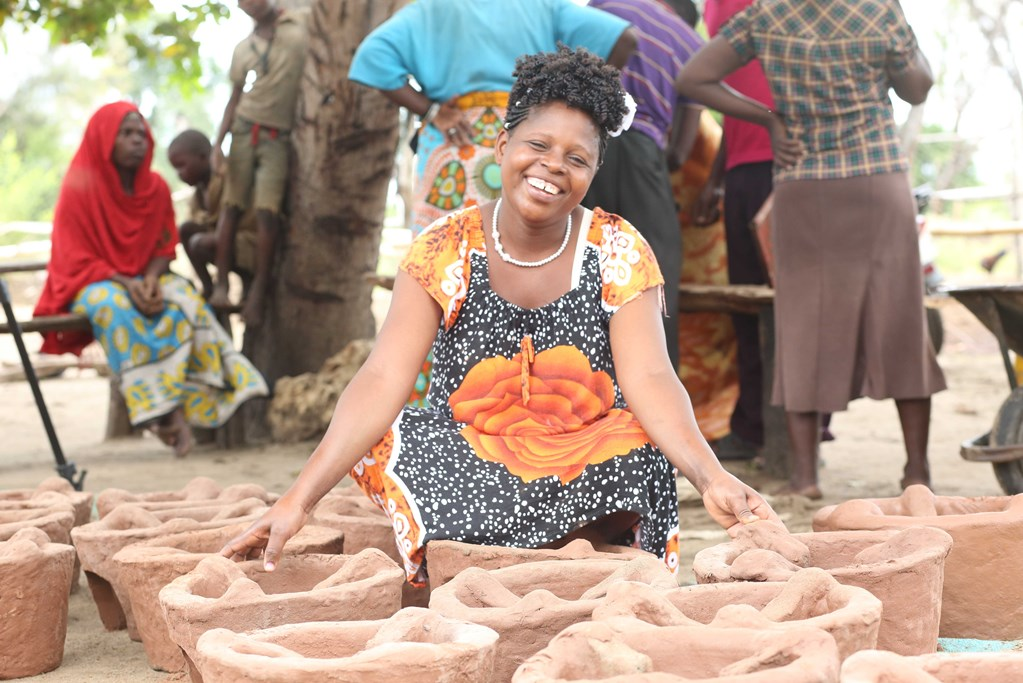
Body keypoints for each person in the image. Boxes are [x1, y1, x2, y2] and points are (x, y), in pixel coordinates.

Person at [220, 46, 780, 583]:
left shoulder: (618, 248)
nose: (552, 167)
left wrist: (713, 477)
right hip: (469, 454)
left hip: (578, 458)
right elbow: (383, 376)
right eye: (537, 145)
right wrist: (298, 500)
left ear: (595, 170)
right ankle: (530, 558)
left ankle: (514, 558)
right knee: (387, 436)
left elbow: (653, 378)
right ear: (502, 142)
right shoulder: (445, 246)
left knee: (642, 448)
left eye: (576, 158)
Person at [677, 0, 946, 498]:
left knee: (801, 320)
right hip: (877, 177)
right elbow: (916, 87)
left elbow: (692, 79)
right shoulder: (878, 9)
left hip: (803, 182)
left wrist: (769, 120)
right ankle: (916, 472)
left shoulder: (766, 15)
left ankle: (805, 478)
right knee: (900, 320)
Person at [33, 102, 269, 457]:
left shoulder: (155, 187)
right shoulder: (79, 185)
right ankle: (160, 414)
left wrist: (152, 280)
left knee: (186, 301)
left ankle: (227, 385)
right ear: (104, 139)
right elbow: (73, 256)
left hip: (147, 276)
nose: (137, 141)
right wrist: (129, 284)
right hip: (92, 281)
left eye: (141, 133)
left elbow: (165, 244)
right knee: (115, 308)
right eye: (126, 134)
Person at [347, 0, 638, 236]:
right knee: (514, 253)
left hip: (454, 144)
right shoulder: (542, 7)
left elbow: (371, 57)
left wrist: (430, 110)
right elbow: (624, 38)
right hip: (530, 136)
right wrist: (583, 96)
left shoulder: (430, 9)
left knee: (441, 249)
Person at [583, 0, 705, 373]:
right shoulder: (693, 45)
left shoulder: (607, 5)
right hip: (644, 154)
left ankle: (574, 378)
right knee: (654, 275)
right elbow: (682, 150)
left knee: (576, 263)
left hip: (586, 142)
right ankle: (653, 395)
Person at [689, 0, 777, 462]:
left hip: (790, 160)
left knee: (787, 303)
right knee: (746, 304)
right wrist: (717, 177)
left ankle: (795, 429)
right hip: (742, 167)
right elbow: (738, 100)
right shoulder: (714, 7)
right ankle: (752, 425)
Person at [209, 0, 307, 328]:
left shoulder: (299, 27)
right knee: (231, 206)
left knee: (268, 212)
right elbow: (234, 98)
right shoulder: (243, 49)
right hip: (243, 128)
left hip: (278, 135)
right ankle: (221, 284)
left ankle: (258, 293)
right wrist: (216, 145)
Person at [167, 130, 259, 302]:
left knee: (199, 243)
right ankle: (208, 287)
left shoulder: (227, 177)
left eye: (182, 165)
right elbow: (197, 220)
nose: (179, 174)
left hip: (247, 242)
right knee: (185, 230)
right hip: (224, 242)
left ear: (203, 157)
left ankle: (240, 279)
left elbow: (233, 219)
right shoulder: (199, 194)